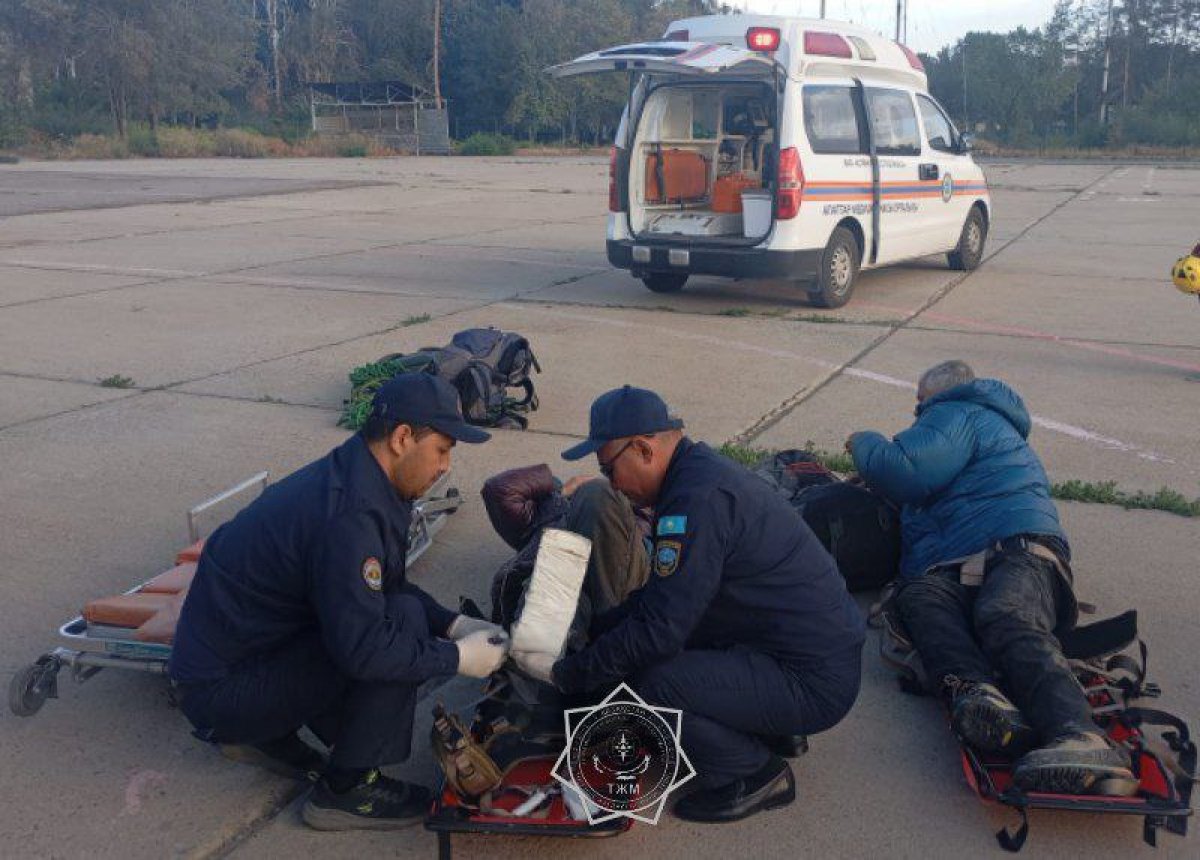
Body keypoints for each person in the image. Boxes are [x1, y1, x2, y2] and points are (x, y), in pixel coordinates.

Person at [169, 373, 511, 831]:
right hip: (223, 690)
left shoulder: (362, 476)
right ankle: (347, 790)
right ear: (403, 438)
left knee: (402, 614)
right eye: (443, 449)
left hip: (250, 658)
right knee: (398, 632)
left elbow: (387, 587)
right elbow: (366, 649)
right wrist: (456, 657)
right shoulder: (348, 515)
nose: (446, 465)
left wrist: (454, 625)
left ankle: (269, 733)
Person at [511, 385, 866, 823]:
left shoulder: (696, 501)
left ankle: (755, 773)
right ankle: (772, 728)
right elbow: (665, 599)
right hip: (799, 651)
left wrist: (568, 675)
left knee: (657, 684)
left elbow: (661, 631)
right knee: (648, 660)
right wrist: (602, 634)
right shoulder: (696, 476)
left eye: (609, 468)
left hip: (811, 680)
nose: (612, 483)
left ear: (642, 448)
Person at [848, 360, 1135, 795]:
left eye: (919, 401)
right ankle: (984, 699)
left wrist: (864, 441)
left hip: (1016, 545)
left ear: (938, 393)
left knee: (1005, 615)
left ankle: (1081, 735)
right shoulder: (982, 426)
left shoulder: (960, 412)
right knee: (922, 598)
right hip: (973, 557)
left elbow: (905, 471)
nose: (915, 412)